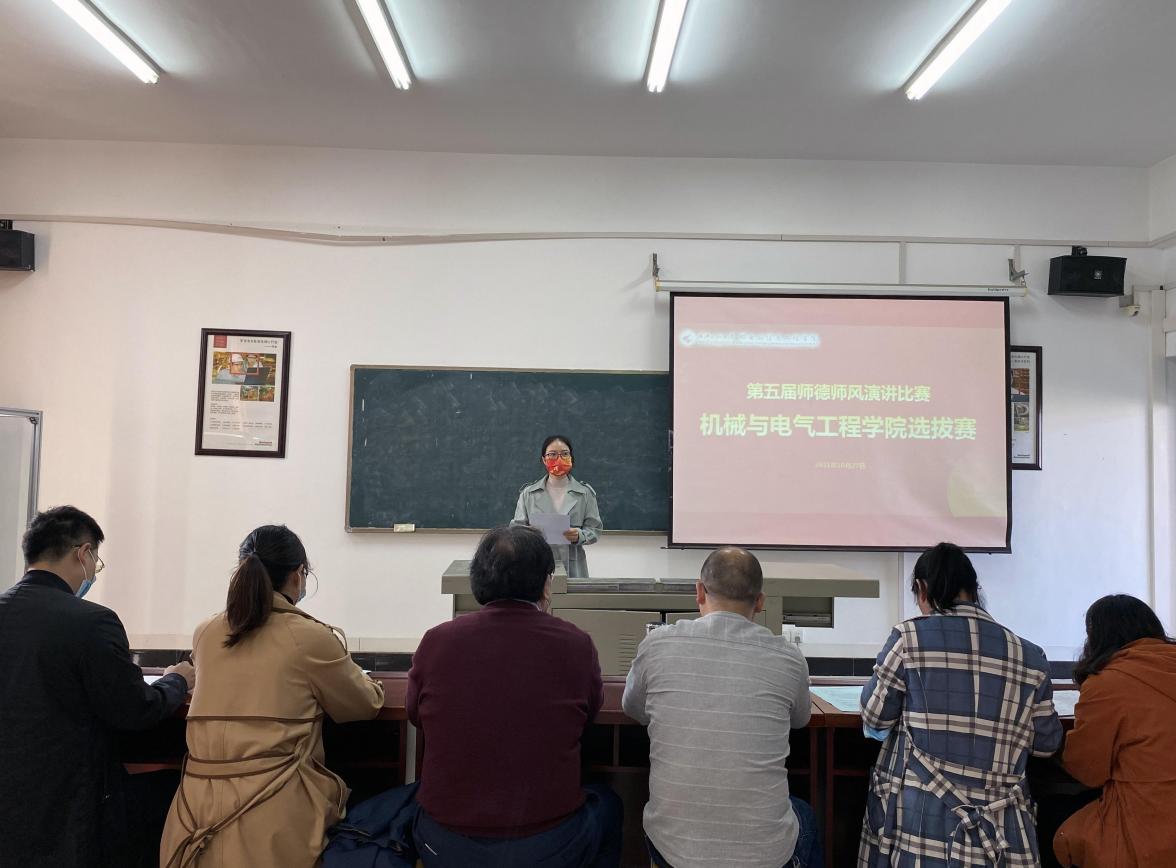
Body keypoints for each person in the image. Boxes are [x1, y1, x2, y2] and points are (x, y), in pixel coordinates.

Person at [159, 525, 384, 868]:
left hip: (193, 822)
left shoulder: (206, 632)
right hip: (274, 818)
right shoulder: (309, 636)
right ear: (298, 574)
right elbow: (363, 705)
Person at [407, 524, 622, 868]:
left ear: (477, 579)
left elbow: (415, 714)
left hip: (444, 843)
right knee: (610, 804)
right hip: (549, 843)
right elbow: (589, 716)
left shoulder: (437, 641)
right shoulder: (576, 644)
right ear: (546, 584)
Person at [0, 505, 194, 868]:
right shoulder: (91, 622)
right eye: (96, 563)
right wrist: (177, 679)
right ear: (84, 553)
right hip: (69, 808)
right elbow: (135, 709)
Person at [858, 542, 1063, 867]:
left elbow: (875, 719)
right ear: (975, 590)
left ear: (922, 589)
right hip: (1003, 837)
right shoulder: (1031, 656)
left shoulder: (908, 639)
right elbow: (1046, 744)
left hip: (921, 828)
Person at [622, 547, 821, 868]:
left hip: (673, 853)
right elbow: (801, 719)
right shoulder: (788, 658)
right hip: (765, 856)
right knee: (806, 813)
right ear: (760, 601)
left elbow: (633, 708)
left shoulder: (657, 644)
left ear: (699, 592)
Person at [1053, 594, 1176, 867]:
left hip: (1147, 829)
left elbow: (1087, 770)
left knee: (1055, 827)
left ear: (1097, 638)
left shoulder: (1107, 683)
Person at [511, 434, 602, 578]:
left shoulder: (585, 493)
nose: (559, 459)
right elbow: (515, 529)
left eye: (564, 454)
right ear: (544, 459)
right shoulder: (529, 493)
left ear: (571, 457)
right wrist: (529, 534)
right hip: (537, 565)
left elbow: (595, 529)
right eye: (552, 454)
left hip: (573, 567)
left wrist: (579, 535)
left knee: (572, 594)